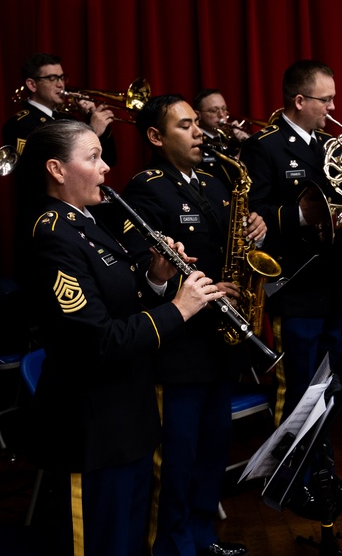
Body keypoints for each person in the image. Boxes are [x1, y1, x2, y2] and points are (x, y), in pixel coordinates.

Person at [16, 120, 222, 556]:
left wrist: (158, 278)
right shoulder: (52, 234)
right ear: (56, 169)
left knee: (129, 542)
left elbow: (122, 302)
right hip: (92, 429)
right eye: (93, 157)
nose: (106, 167)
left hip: (129, 417)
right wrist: (180, 309)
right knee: (101, 545)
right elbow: (99, 340)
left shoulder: (90, 220)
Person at [120, 93, 262, 556]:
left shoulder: (216, 182)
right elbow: (142, 272)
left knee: (212, 454)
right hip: (180, 352)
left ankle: (204, 537)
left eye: (198, 123)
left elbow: (233, 250)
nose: (200, 132)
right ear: (156, 137)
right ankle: (172, 547)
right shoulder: (146, 189)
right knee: (176, 462)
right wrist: (162, 275)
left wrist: (255, 228)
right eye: (186, 126)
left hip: (222, 344)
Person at [238, 60, 342, 518]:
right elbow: (255, 219)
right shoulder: (264, 148)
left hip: (334, 283)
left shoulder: (330, 145)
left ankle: (321, 472)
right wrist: (306, 216)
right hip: (296, 285)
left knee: (330, 389)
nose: (333, 107)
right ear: (299, 101)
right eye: (325, 99)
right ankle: (289, 482)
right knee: (299, 389)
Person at [3, 52, 117, 165]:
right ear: (32, 85)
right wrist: (93, 132)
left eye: (62, 77)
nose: (61, 84)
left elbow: (109, 160)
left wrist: (92, 118)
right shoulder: (19, 124)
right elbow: (36, 170)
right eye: (52, 78)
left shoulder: (68, 119)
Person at [192, 89, 249, 186]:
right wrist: (237, 158)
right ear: (198, 115)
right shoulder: (196, 142)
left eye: (224, 109)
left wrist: (247, 143)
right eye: (214, 111)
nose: (222, 115)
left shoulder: (231, 139)